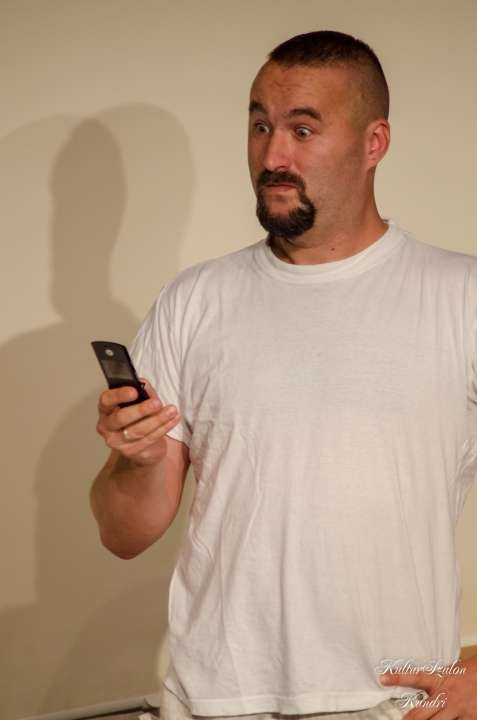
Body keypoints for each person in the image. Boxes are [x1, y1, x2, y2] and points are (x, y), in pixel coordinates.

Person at [91, 31, 477, 720]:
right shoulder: (193, 301)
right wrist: (137, 460)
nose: (272, 156)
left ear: (374, 143)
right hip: (213, 701)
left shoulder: (460, 296)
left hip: (394, 702)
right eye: (260, 126)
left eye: (302, 129)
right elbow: (124, 535)